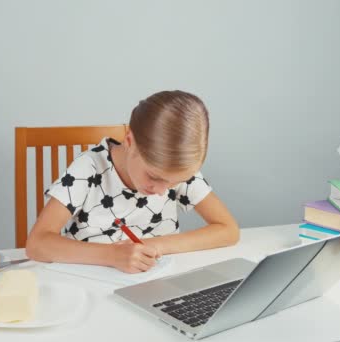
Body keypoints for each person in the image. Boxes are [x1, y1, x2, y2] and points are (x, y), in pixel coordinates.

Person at [26, 90, 239, 273]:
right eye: (154, 177)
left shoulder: (174, 169)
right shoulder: (88, 169)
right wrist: (112, 255)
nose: (161, 191)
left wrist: (152, 246)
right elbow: (37, 244)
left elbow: (228, 230)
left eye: (174, 183)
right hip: (91, 285)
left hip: (155, 282)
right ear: (129, 141)